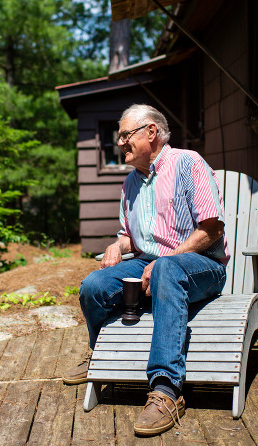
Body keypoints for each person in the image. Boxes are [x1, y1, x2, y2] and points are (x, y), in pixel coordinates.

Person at [62, 104, 230, 436]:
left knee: (167, 268)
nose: (120, 142)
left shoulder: (188, 163)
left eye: (125, 135)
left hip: (202, 265)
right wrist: (117, 246)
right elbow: (130, 236)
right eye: (119, 137)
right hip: (148, 262)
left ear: (150, 132)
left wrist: (164, 262)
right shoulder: (130, 184)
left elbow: (213, 228)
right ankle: (102, 355)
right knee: (93, 286)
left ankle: (167, 389)